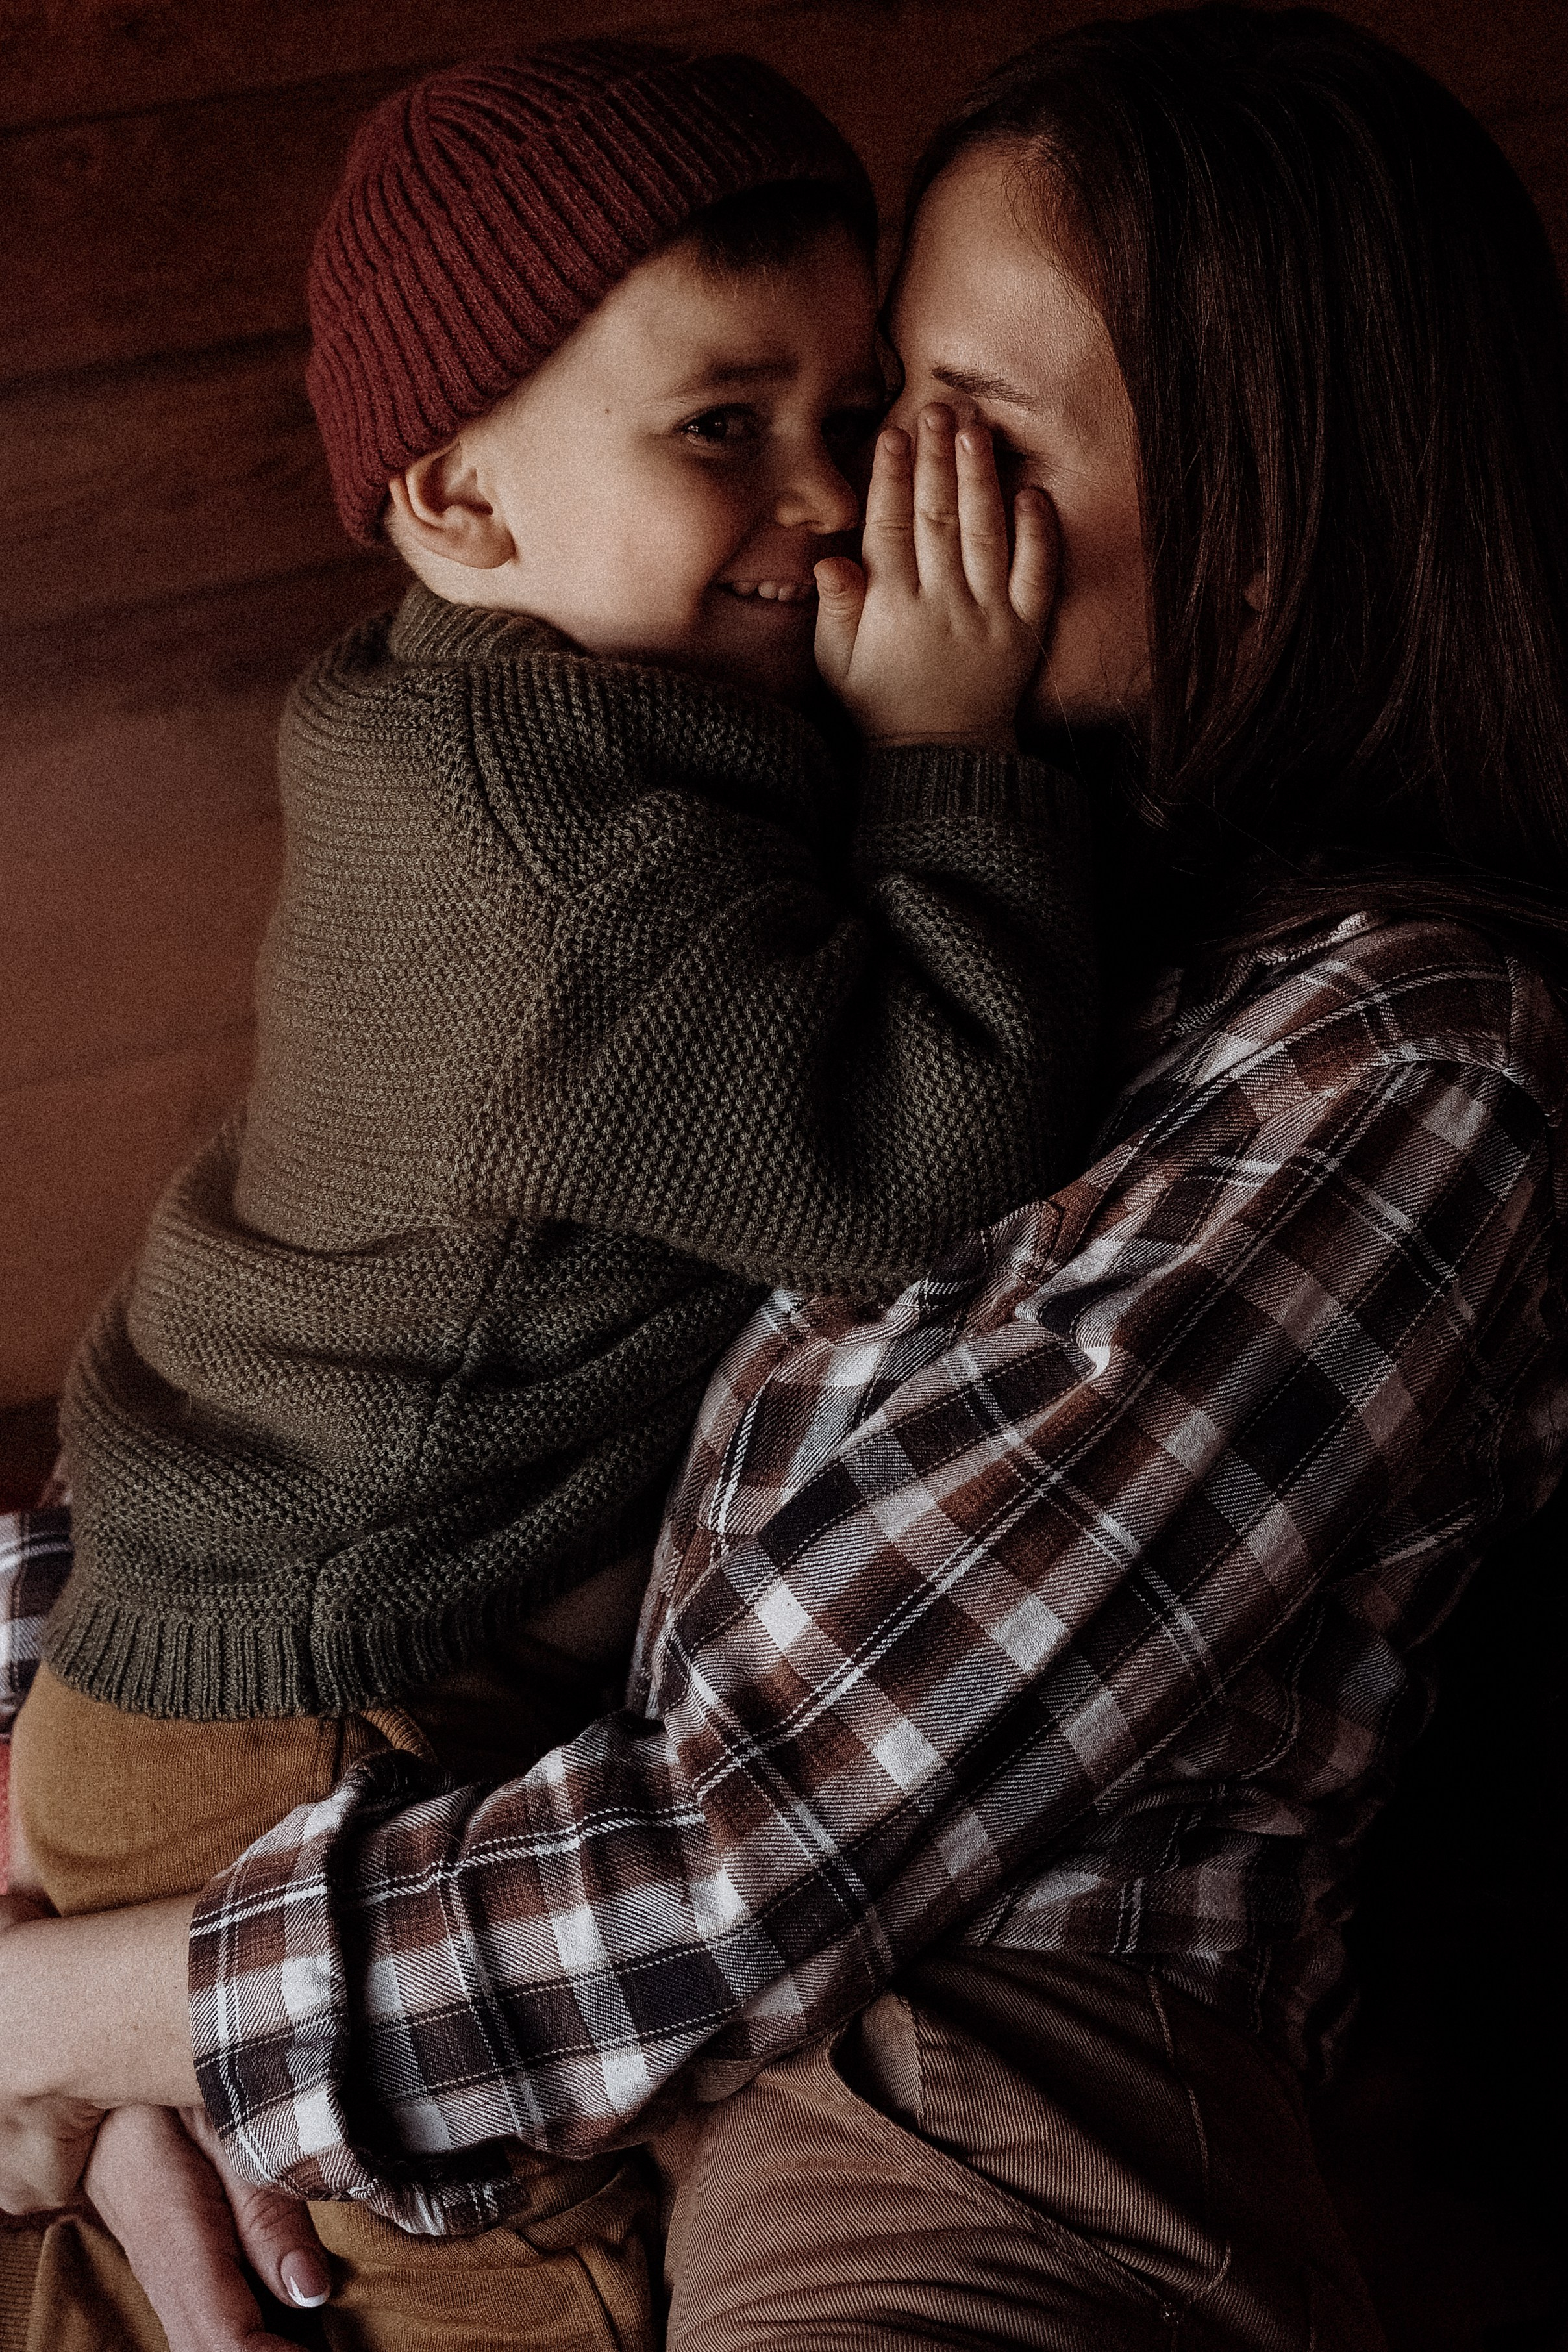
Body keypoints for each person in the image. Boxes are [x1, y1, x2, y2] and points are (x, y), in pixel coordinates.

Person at [5, 6, 1568, 2348]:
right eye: (842, 418)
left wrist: (86, 2022)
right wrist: (65, 1908)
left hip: (829, 2042)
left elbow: (752, 1856)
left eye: (944, 432)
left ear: (1276, 512)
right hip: (388, 1846)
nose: (853, 509)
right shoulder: (745, 813)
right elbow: (328, 1333)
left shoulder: (1397, 1063)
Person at [1, 39, 1092, 2351]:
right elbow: (921, 1166)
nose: (831, 499)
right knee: (525, 2290)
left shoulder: (550, 717)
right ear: (457, 499)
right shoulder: (555, 864)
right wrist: (952, 757)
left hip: (244, 1642)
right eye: (721, 426)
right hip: (313, 1710)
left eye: (853, 411)